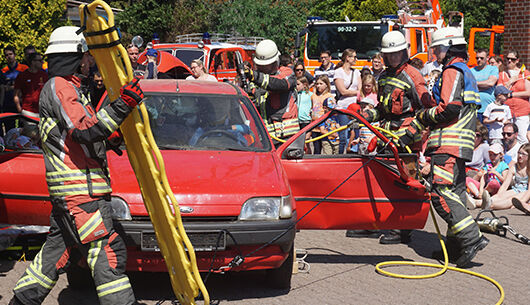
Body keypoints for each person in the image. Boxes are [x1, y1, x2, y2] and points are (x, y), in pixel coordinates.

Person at [9, 26, 143, 305]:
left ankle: (20, 302)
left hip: (71, 197)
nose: (89, 61)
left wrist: (109, 138)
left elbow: (75, 139)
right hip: (81, 195)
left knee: (56, 253)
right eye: (85, 55)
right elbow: (84, 130)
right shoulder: (61, 87)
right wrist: (122, 106)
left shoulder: (66, 88)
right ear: (73, 55)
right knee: (106, 252)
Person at [398, 27, 489, 267]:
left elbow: (448, 108)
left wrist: (423, 117)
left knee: (441, 194)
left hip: (447, 144)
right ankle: (454, 247)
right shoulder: (465, 71)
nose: (435, 53)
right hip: (459, 145)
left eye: (437, 49)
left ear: (448, 48)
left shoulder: (451, 70)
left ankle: (471, 238)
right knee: (456, 194)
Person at [244, 39, 297, 141]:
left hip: (286, 137)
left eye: (265, 65)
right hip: (264, 138)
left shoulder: (287, 73)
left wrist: (254, 76)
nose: (261, 67)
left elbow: (278, 84)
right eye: (260, 65)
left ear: (275, 62)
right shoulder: (255, 79)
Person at [469, 144, 530, 210]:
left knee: (511, 199)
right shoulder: (514, 167)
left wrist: (522, 203)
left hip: (526, 192)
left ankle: (490, 205)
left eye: (523, 154)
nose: (520, 156)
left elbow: (529, 191)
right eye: (519, 153)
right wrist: (499, 196)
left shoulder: (528, 169)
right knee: (500, 196)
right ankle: (475, 202)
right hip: (516, 189)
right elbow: (505, 185)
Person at [498, 50, 530, 144]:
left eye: (512, 59)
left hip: (522, 111)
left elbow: (528, 92)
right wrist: (509, 82)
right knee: (506, 137)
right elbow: (499, 92)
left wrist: (511, 94)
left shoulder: (524, 73)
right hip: (507, 110)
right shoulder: (502, 74)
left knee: (522, 137)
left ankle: (523, 157)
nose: (509, 61)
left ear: (517, 60)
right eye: (507, 59)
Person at [334, 48, 361, 154]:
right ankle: (341, 156)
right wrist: (356, 92)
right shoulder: (338, 72)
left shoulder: (357, 72)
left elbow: (360, 89)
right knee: (343, 136)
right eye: (353, 57)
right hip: (343, 107)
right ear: (347, 58)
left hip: (355, 106)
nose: (355, 59)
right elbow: (343, 91)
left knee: (355, 133)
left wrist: (356, 92)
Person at [13, 52, 48, 119]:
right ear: (33, 62)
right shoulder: (22, 76)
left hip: (42, 111)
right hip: (28, 111)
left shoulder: (44, 75)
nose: (42, 62)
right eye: (40, 60)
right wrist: (20, 110)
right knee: (30, 130)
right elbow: (16, 95)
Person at [471, 48, 499, 123]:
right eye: (477, 58)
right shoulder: (471, 71)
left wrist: (474, 83)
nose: (479, 60)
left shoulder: (493, 69)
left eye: (481, 58)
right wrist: (484, 86)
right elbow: (468, 86)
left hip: (488, 109)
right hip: (474, 109)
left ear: (487, 58)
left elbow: (490, 83)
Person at [465, 122, 490, 198]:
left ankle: (477, 196)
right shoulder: (466, 145)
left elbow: (488, 163)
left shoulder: (485, 147)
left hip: (475, 172)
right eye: (473, 134)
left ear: (482, 137)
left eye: (478, 135)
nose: (475, 137)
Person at [311, 75, 334, 154]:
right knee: (316, 149)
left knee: (326, 148)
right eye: (317, 84)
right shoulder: (313, 96)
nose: (318, 86)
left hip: (324, 127)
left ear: (326, 85)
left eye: (321, 84)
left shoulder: (329, 96)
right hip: (314, 126)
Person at [2, 46, 28, 116]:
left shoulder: (24, 68)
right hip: (8, 104)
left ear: (15, 55)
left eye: (10, 54)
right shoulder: (3, 71)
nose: (9, 57)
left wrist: (12, 87)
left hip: (22, 102)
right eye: (6, 55)